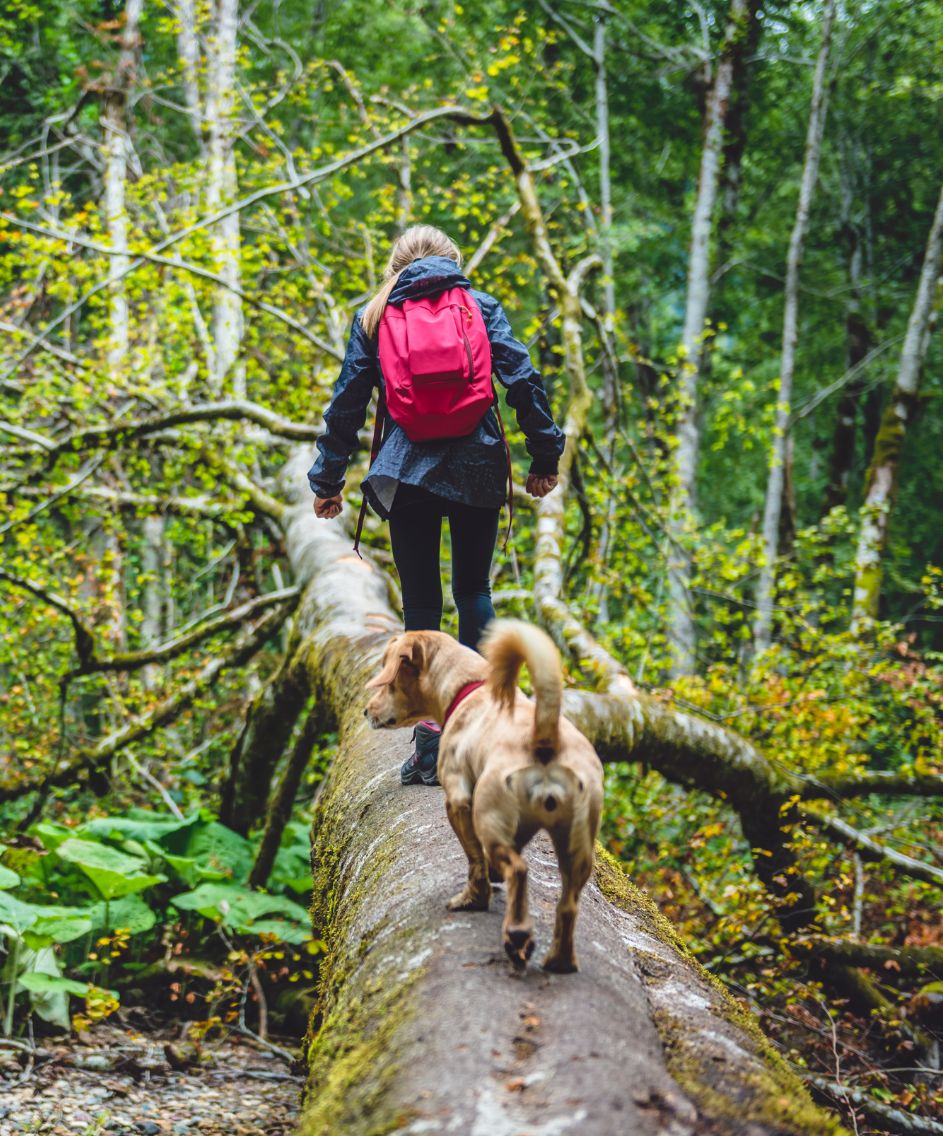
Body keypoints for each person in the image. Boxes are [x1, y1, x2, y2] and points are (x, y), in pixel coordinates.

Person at [308, 224, 564, 785]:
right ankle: (490, 728)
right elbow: (523, 380)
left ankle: (429, 749)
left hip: (405, 473)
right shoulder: (478, 305)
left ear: (394, 266)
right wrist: (544, 455)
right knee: (474, 592)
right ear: (454, 260)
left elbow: (347, 403)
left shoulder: (375, 316)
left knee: (421, 607)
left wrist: (328, 480)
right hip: (477, 465)